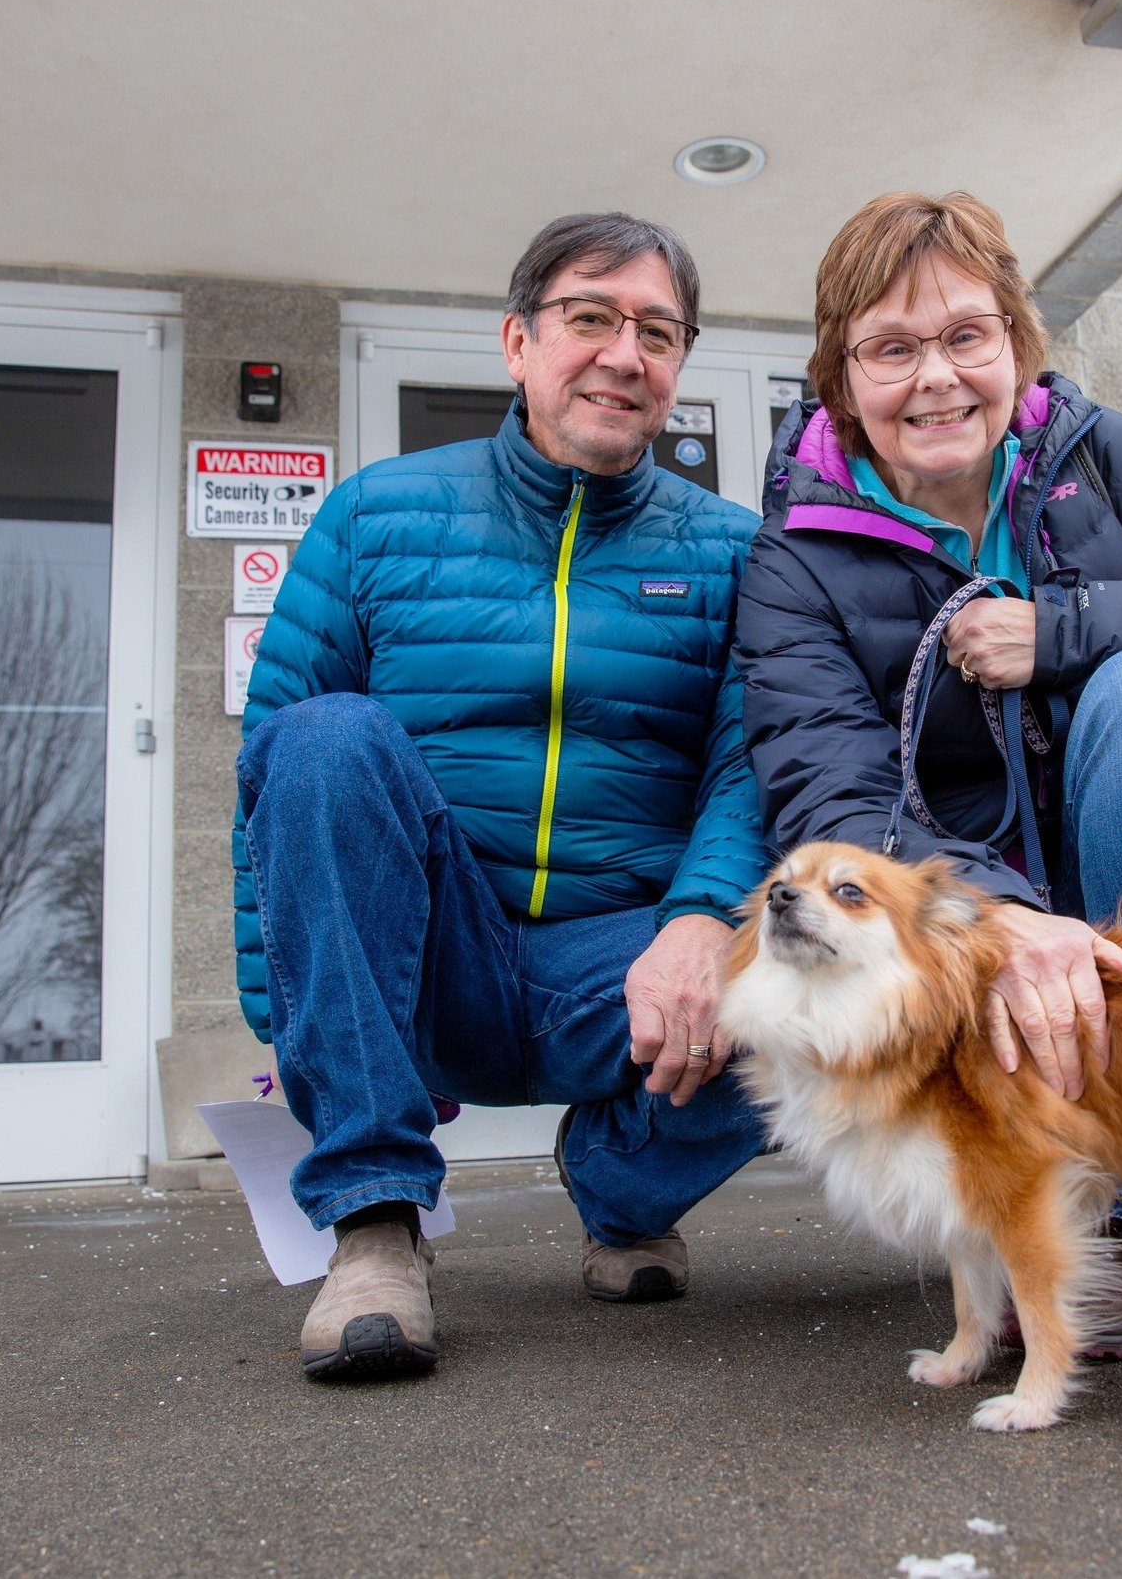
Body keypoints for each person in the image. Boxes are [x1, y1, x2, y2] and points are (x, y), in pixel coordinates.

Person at [733, 191, 1122, 1355]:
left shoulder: (1106, 460)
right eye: (891, 349)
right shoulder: (794, 555)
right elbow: (829, 793)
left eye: (966, 335)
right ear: (841, 380)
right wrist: (1002, 918)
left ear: (1016, 340)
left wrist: (1073, 628)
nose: (937, 378)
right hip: (972, 898)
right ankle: (1025, 1187)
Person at [233, 212, 769, 1379]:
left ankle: (626, 1188)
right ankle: (375, 1226)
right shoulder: (377, 515)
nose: (624, 355)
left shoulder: (736, 553)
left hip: (628, 966)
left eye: (659, 332)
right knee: (326, 736)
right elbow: (278, 765)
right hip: (436, 956)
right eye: (591, 318)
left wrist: (702, 924)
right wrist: (298, 1006)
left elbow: (751, 769)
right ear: (519, 342)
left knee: (819, 958)